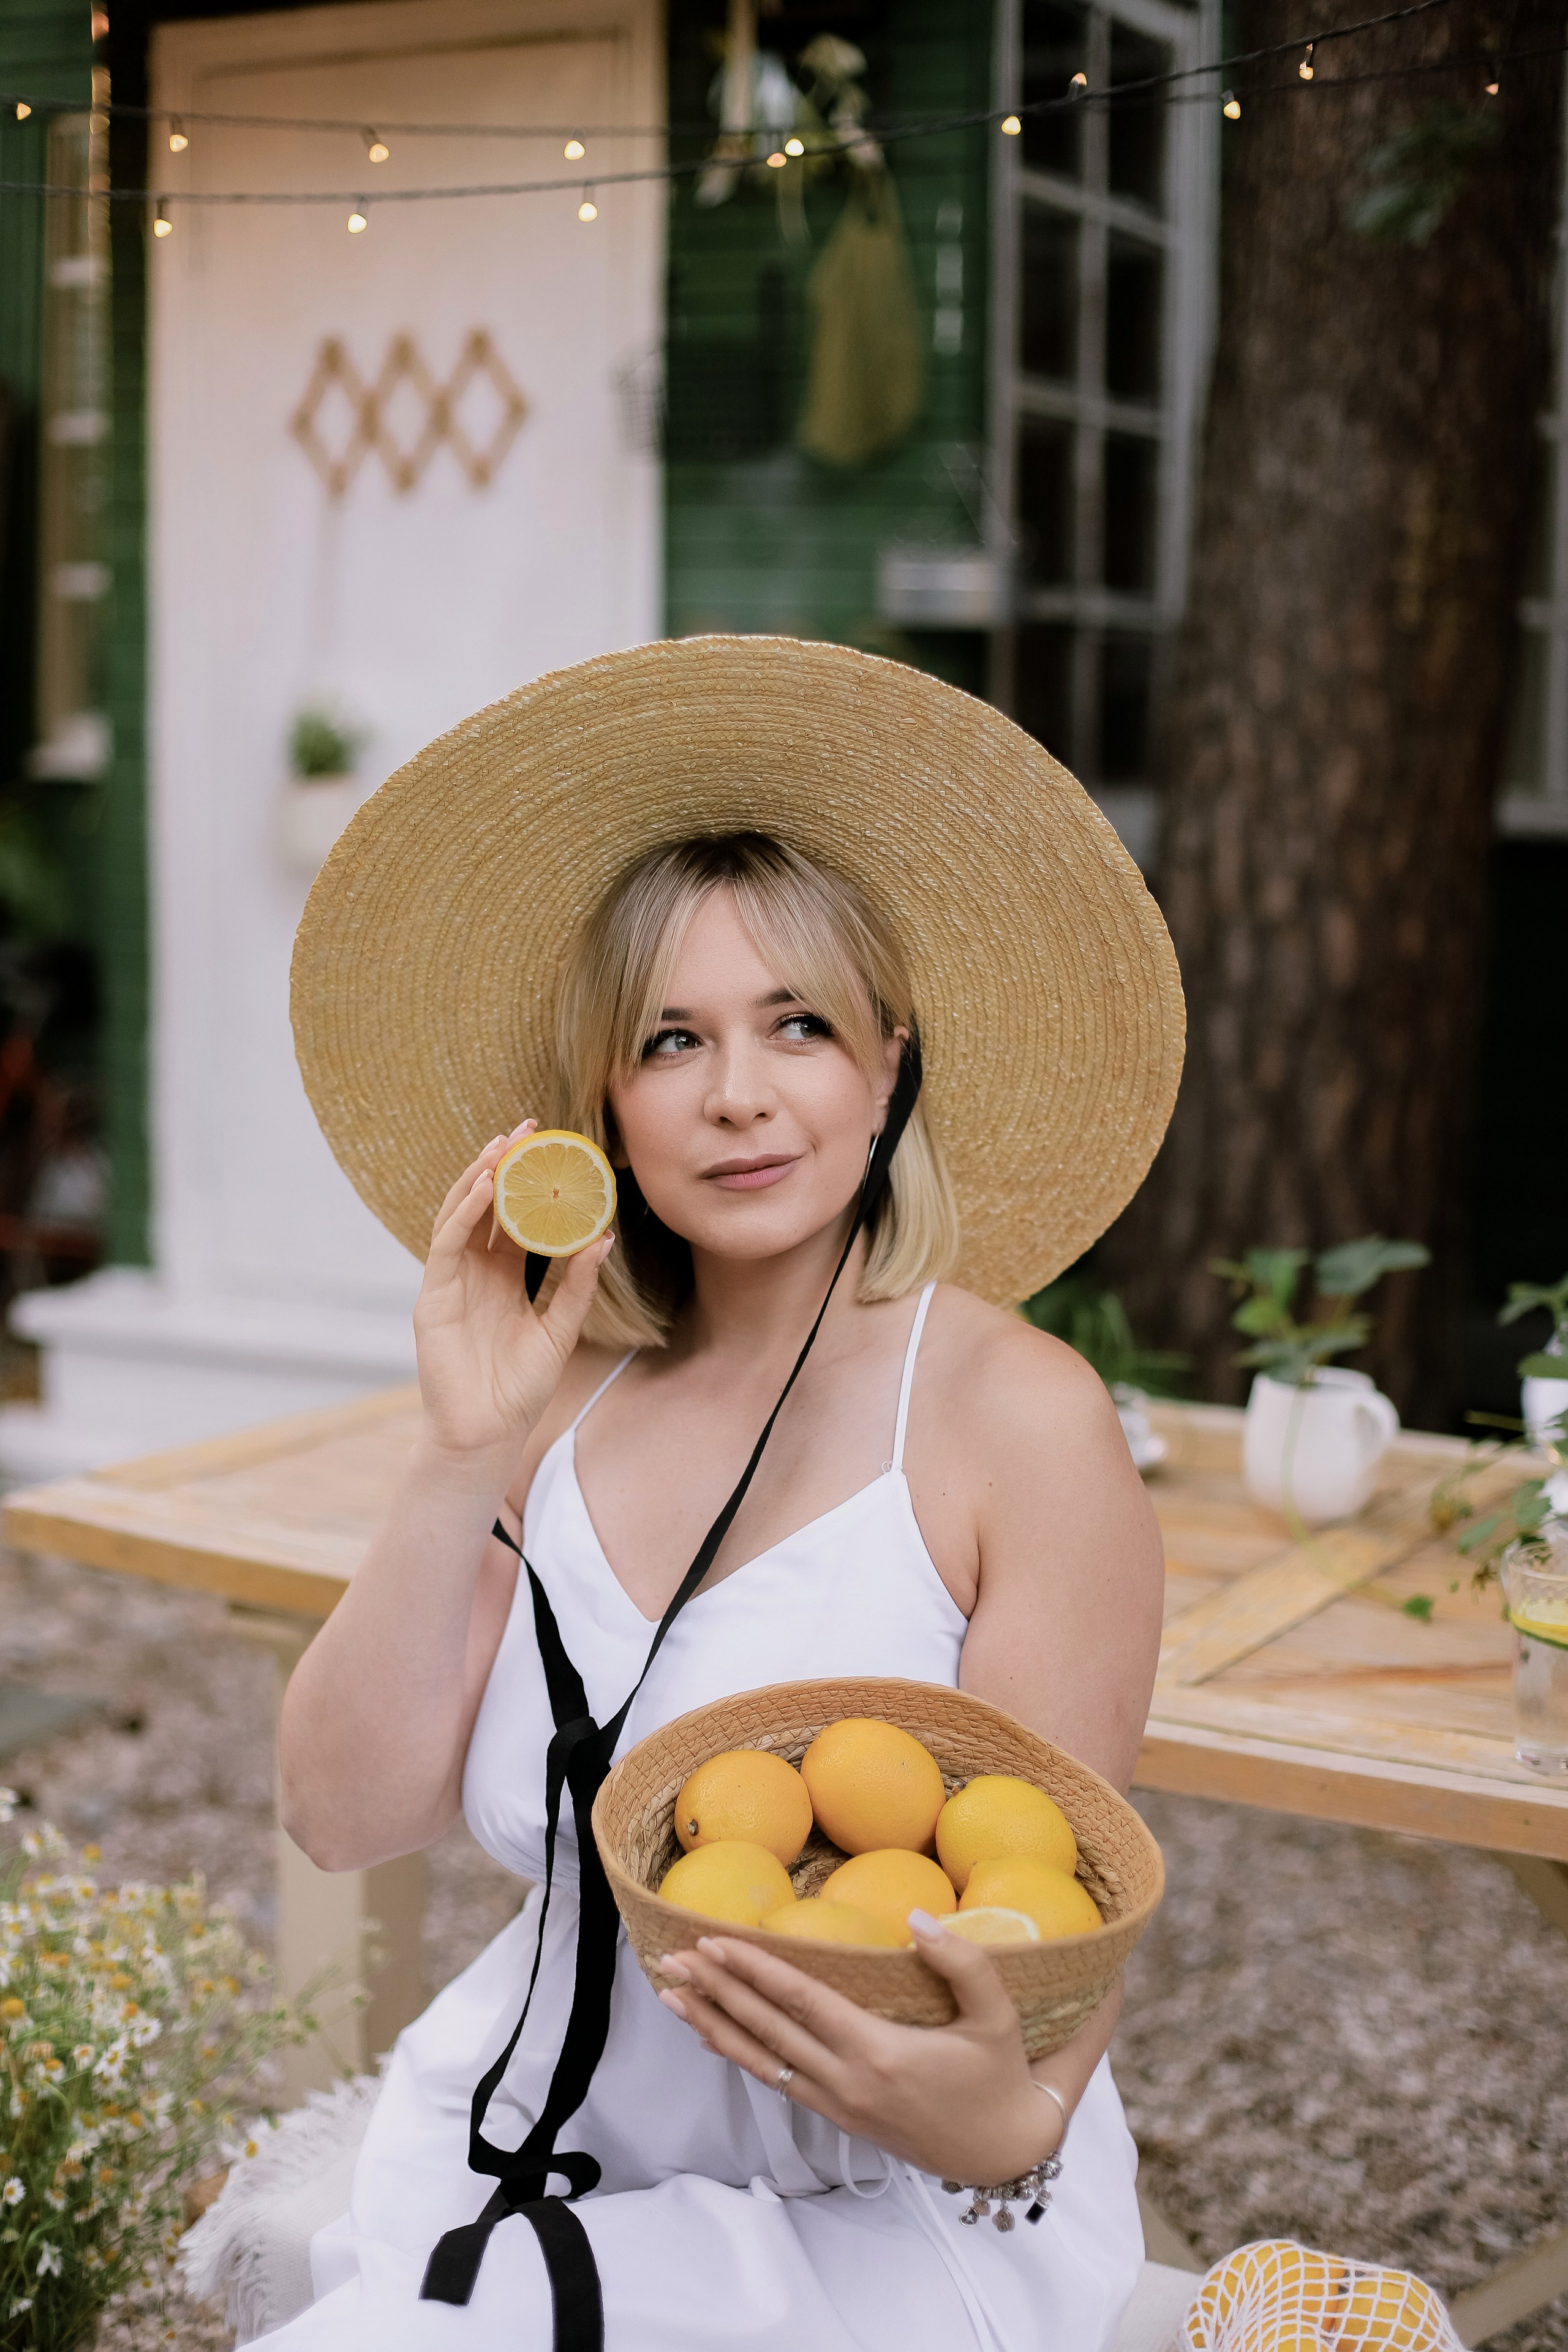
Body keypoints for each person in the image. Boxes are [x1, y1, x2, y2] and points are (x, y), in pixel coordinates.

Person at [271, 637, 1185, 2351]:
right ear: (606, 1103)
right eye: (672, 1038)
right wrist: (462, 1441)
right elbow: (340, 1817)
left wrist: (1000, 2127)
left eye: (800, 1027)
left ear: (888, 1066)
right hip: (525, 2155)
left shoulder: (1016, 1422)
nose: (741, 1093)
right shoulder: (555, 1409)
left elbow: (1054, 1950)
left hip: (875, 2218)